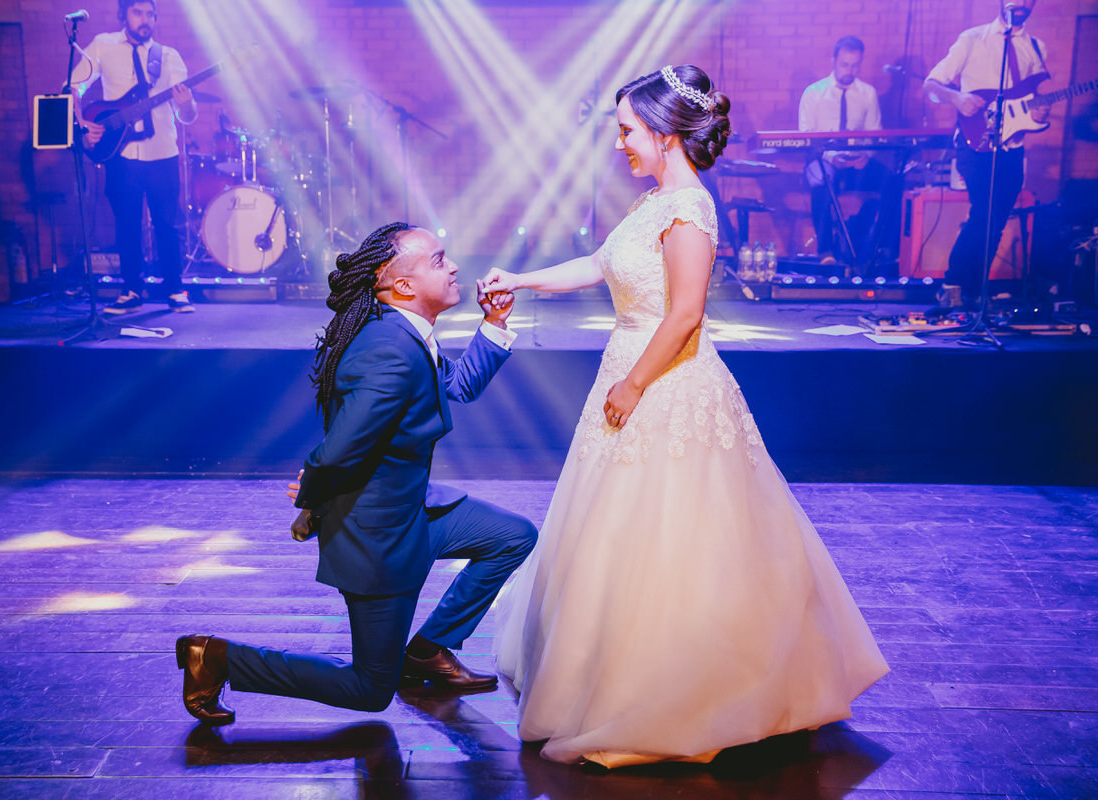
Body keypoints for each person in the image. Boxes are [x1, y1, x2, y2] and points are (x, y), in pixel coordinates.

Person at [483, 65, 889, 768]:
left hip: (664, 382)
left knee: (675, 542)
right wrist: (522, 280)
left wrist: (636, 385)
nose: (620, 145)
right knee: (612, 538)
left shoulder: (690, 209)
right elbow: (598, 263)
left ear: (666, 134)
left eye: (628, 131)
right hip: (630, 373)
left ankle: (676, 691)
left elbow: (686, 314)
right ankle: (595, 671)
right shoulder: (652, 203)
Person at [176, 222, 538, 724]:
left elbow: (455, 385)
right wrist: (312, 504)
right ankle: (215, 659)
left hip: (413, 510)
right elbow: (341, 449)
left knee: (513, 536)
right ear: (403, 286)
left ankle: (427, 650)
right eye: (438, 260)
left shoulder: (408, 335)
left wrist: (494, 323)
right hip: (379, 537)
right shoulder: (390, 350)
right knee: (369, 690)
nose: (453, 266)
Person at [74, 0, 198, 314]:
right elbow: (72, 87)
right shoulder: (102, 45)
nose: (145, 20)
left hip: (162, 153)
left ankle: (175, 289)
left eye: (150, 14)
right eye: (138, 12)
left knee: (167, 224)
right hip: (122, 153)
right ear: (123, 15)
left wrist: (185, 105)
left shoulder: (168, 57)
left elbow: (187, 116)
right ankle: (131, 290)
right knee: (126, 223)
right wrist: (83, 126)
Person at [924, 0, 1051, 306]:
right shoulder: (972, 39)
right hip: (976, 140)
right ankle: (955, 283)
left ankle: (971, 291)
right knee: (984, 212)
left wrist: (1040, 114)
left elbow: (1033, 102)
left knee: (996, 219)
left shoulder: (1036, 47)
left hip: (1013, 147)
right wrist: (957, 97)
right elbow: (932, 84)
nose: (1018, 4)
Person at [798, 36, 889, 268]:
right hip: (823, 159)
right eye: (845, 65)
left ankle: (877, 245)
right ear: (834, 61)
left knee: (893, 181)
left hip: (856, 161)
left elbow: (874, 134)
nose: (850, 70)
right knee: (822, 180)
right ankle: (826, 251)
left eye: (855, 65)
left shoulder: (867, 93)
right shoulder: (813, 93)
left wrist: (865, 156)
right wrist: (830, 157)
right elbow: (806, 135)